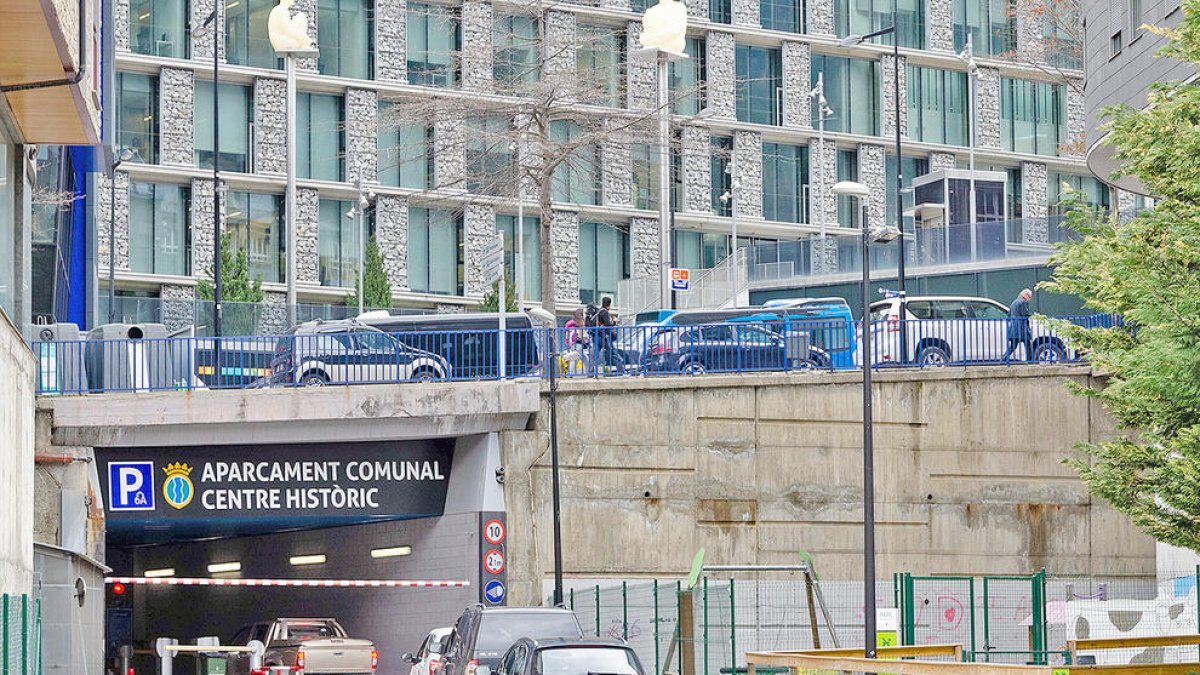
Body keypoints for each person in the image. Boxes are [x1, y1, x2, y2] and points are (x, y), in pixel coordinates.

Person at [595, 297, 625, 374]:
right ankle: (621, 370)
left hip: (599, 335)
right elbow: (608, 324)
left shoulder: (599, 311)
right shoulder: (605, 312)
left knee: (596, 354)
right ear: (609, 304)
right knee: (613, 353)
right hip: (605, 336)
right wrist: (614, 322)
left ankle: (593, 371)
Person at [1004, 288, 1033, 361]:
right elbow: (1025, 315)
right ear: (1026, 295)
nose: (1029, 299)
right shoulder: (1023, 302)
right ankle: (1030, 361)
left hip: (1014, 328)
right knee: (1028, 345)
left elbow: (1009, 314)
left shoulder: (1014, 302)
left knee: (1013, 346)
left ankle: (1003, 359)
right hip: (1021, 328)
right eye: (1029, 297)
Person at [563, 308, 588, 374]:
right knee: (577, 356)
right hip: (576, 343)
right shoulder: (578, 324)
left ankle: (589, 372)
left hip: (572, 342)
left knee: (583, 358)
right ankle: (566, 357)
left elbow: (567, 333)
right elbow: (577, 335)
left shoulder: (571, 323)